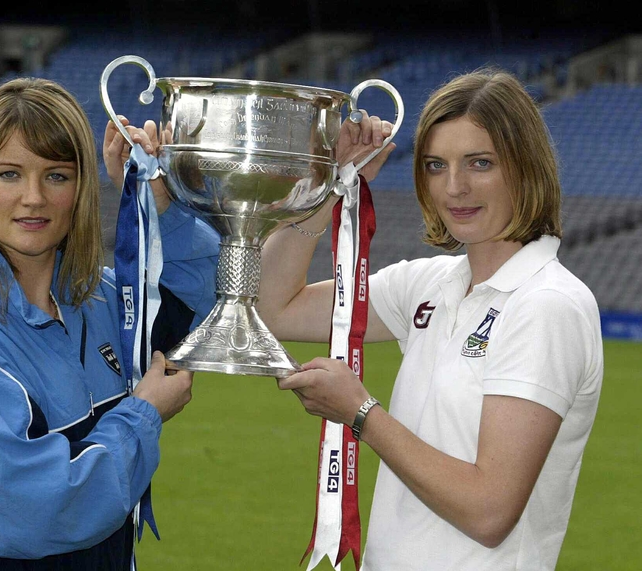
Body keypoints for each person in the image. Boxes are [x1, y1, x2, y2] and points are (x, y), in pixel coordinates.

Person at [256, 68, 604, 570]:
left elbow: (489, 512)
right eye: (436, 166)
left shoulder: (548, 304)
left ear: (526, 167)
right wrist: (330, 184)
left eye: (479, 163)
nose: (455, 187)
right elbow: (273, 307)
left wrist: (361, 413)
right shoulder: (429, 284)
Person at [0, 77, 219, 570]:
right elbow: (31, 511)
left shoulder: (102, 300)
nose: (34, 197)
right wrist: (142, 416)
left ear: (81, 189)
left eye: (57, 176)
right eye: (8, 174)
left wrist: (156, 207)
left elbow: (210, 293)